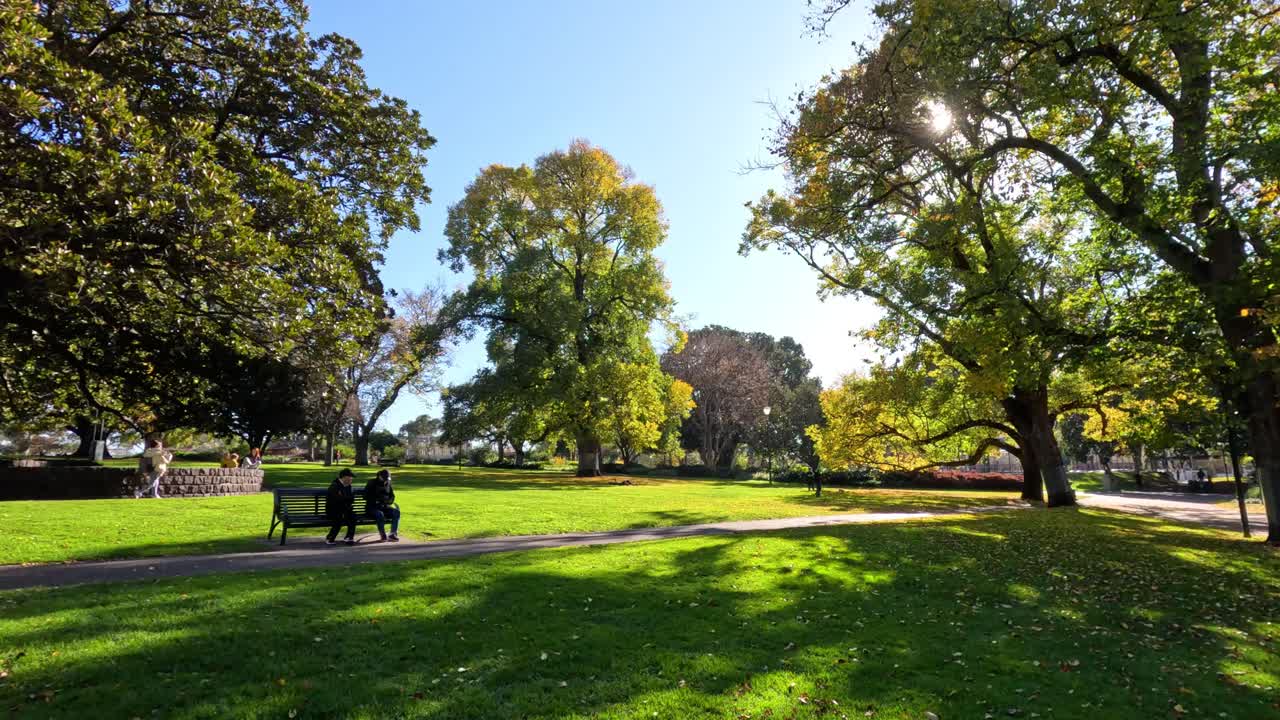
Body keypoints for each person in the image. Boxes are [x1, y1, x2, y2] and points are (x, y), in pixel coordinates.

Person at [364, 469, 401, 542]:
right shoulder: (371, 483)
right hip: (372, 507)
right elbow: (365, 496)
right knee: (380, 514)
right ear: (379, 476)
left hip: (384, 507)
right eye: (385, 478)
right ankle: (383, 535)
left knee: (396, 512)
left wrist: (389, 501)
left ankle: (392, 534)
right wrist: (378, 499)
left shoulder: (388, 483)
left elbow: (392, 496)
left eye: (387, 478)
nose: (386, 480)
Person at [325, 468, 357, 546]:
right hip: (333, 510)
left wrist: (344, 498)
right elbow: (335, 501)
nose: (351, 479)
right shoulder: (334, 486)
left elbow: (351, 499)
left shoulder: (349, 486)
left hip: (345, 509)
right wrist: (345, 499)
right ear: (344, 477)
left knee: (353, 517)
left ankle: (349, 537)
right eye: (350, 477)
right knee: (339, 518)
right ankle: (330, 538)